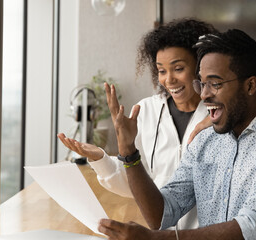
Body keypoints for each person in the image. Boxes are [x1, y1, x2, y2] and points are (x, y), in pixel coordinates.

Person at [97, 29, 256, 239]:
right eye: (202, 84)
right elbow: (161, 214)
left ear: (250, 85)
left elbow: (255, 227)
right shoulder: (206, 140)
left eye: (214, 84)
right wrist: (129, 153)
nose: (204, 95)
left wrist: (156, 239)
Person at [58, 18, 217, 229]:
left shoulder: (221, 114)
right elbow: (137, 183)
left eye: (178, 68)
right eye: (161, 70)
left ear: (199, 67)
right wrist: (100, 158)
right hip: (158, 232)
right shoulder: (145, 112)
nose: (169, 80)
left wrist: (219, 112)